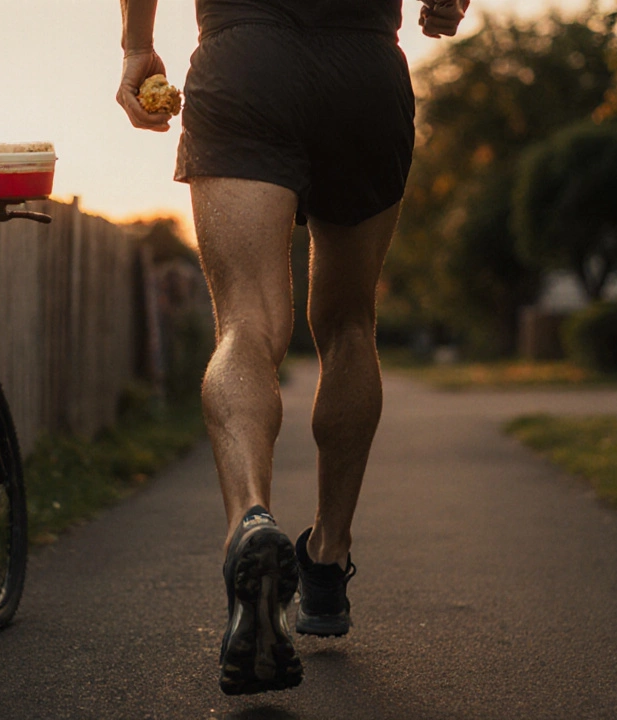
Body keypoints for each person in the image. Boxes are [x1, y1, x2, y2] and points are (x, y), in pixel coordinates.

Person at [117, 0, 468, 696]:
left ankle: (250, 518)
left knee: (247, 325)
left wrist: (137, 45)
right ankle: (328, 560)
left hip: (245, 60)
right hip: (363, 68)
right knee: (347, 327)